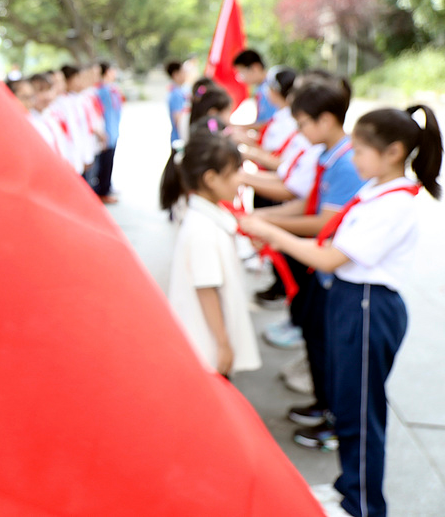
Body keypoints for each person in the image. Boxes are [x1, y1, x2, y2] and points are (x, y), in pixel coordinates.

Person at [241, 105, 443, 517]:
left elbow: (331, 257)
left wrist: (272, 231)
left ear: (393, 152)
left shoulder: (395, 203)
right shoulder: (377, 190)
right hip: (352, 300)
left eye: (361, 151)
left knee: (360, 412)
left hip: (368, 305)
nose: (354, 159)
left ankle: (363, 504)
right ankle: (349, 487)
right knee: (349, 403)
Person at [243, 79, 365, 452]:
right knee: (315, 336)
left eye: (303, 124)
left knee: (332, 348)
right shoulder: (327, 154)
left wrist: (272, 229)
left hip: (335, 270)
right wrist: (267, 219)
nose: (299, 132)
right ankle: (323, 404)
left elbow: (323, 221)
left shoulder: (347, 162)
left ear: (325, 120)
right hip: (321, 269)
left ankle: (334, 418)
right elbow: (307, 204)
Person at [159, 129, 260, 377]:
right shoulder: (201, 230)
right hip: (206, 343)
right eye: (234, 172)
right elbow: (206, 289)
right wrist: (223, 344)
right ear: (211, 179)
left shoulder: (208, 215)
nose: (241, 179)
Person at [96, 61, 123, 204]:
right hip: (107, 132)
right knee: (105, 162)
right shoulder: (101, 91)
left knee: (110, 160)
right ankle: (103, 191)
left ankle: (108, 186)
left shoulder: (111, 89)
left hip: (113, 130)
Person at [232, 49, 275, 129]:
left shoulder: (272, 88)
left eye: (242, 72)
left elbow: (271, 123)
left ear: (255, 67)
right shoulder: (260, 88)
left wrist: (241, 127)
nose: (241, 78)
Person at [165, 60, 188, 146]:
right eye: (183, 72)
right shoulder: (176, 94)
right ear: (176, 74)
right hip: (179, 140)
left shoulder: (180, 91)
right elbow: (178, 120)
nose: (185, 74)